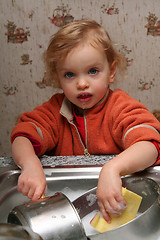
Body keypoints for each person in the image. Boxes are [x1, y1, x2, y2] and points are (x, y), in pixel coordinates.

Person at [11, 19, 160, 223]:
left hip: (118, 207)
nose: (82, 83)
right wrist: (29, 163)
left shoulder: (119, 107)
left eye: (92, 71)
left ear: (111, 72)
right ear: (58, 77)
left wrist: (113, 169)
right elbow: (22, 135)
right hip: (68, 208)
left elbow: (151, 145)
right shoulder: (55, 110)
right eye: (70, 74)